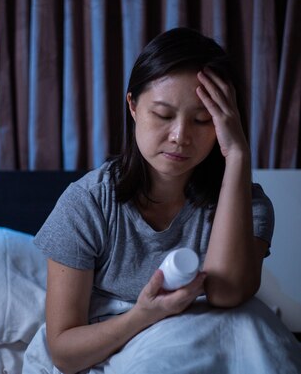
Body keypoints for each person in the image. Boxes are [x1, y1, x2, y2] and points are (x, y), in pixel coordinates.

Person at [27, 28, 281, 374]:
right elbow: (64, 353)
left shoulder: (246, 205)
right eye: (163, 115)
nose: (180, 136)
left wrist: (237, 154)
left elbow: (226, 294)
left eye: (202, 120)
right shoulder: (87, 205)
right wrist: (146, 314)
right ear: (133, 106)